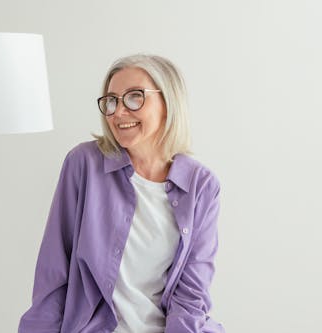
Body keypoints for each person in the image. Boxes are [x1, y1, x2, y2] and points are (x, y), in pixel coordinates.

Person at [18, 54, 225, 333]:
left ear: (168, 102)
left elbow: (192, 294)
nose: (118, 111)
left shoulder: (201, 185)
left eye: (134, 97)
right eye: (112, 100)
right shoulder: (84, 165)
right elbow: (53, 273)